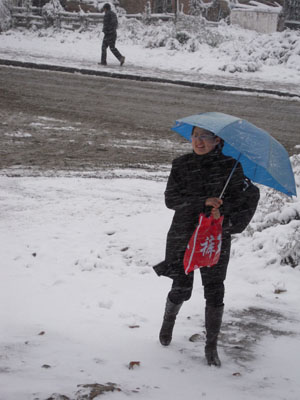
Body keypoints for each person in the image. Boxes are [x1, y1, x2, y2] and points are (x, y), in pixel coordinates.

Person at [153, 126, 259, 367]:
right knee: (181, 287)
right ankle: (168, 322)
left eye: (204, 137)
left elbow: (241, 200)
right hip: (184, 234)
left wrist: (222, 209)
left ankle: (211, 346)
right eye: (195, 136)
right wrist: (202, 201)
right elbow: (171, 200)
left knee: (214, 288)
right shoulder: (181, 164)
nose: (198, 141)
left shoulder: (232, 167)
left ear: (217, 139)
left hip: (215, 235)